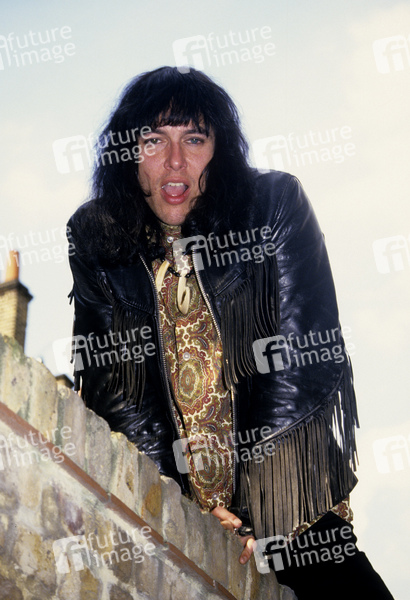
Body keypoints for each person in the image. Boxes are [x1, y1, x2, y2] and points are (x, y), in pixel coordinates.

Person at [67, 66, 394, 599]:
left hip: (292, 502)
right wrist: (176, 507)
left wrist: (257, 509)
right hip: (186, 516)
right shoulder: (97, 237)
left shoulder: (273, 204)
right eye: (154, 140)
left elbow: (299, 356)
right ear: (129, 153)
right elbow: (120, 395)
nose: (176, 161)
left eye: (195, 139)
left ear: (219, 150)